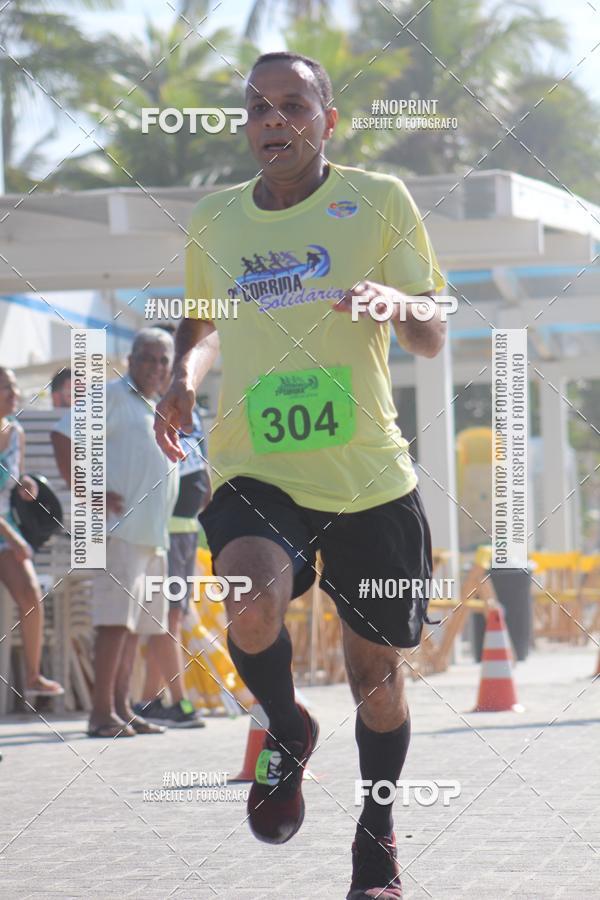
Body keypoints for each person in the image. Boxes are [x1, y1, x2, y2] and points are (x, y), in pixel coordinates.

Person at [155, 52, 445, 899]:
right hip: (255, 463)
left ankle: (376, 835)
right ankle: (287, 727)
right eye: (256, 108)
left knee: (377, 682)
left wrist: (395, 305)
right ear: (245, 125)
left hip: (366, 478)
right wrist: (184, 378)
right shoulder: (216, 218)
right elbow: (202, 328)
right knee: (247, 597)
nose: (272, 120)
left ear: (327, 120)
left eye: (292, 105)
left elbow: (430, 327)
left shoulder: (381, 201)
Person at [88, 329, 179, 738]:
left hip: (151, 534)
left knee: (137, 628)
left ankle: (122, 708)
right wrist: (90, 490)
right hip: (118, 530)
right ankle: (100, 713)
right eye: (148, 358)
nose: (156, 367)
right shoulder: (110, 394)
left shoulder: (155, 406)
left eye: (164, 360)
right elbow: (64, 436)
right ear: (130, 360)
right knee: (114, 624)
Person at [134, 401, 211, 727]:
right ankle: (179, 701)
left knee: (171, 615)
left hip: (187, 530)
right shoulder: (154, 412)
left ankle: (149, 700)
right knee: (168, 617)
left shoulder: (194, 415)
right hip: (165, 529)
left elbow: (201, 467)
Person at [0, 366, 64, 699]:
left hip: (7, 532)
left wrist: (26, 486)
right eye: (6, 388)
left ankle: (33, 674)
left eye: (14, 388)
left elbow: (12, 485)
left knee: (30, 593)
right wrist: (12, 536)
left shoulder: (17, 432)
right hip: (6, 533)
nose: (15, 394)